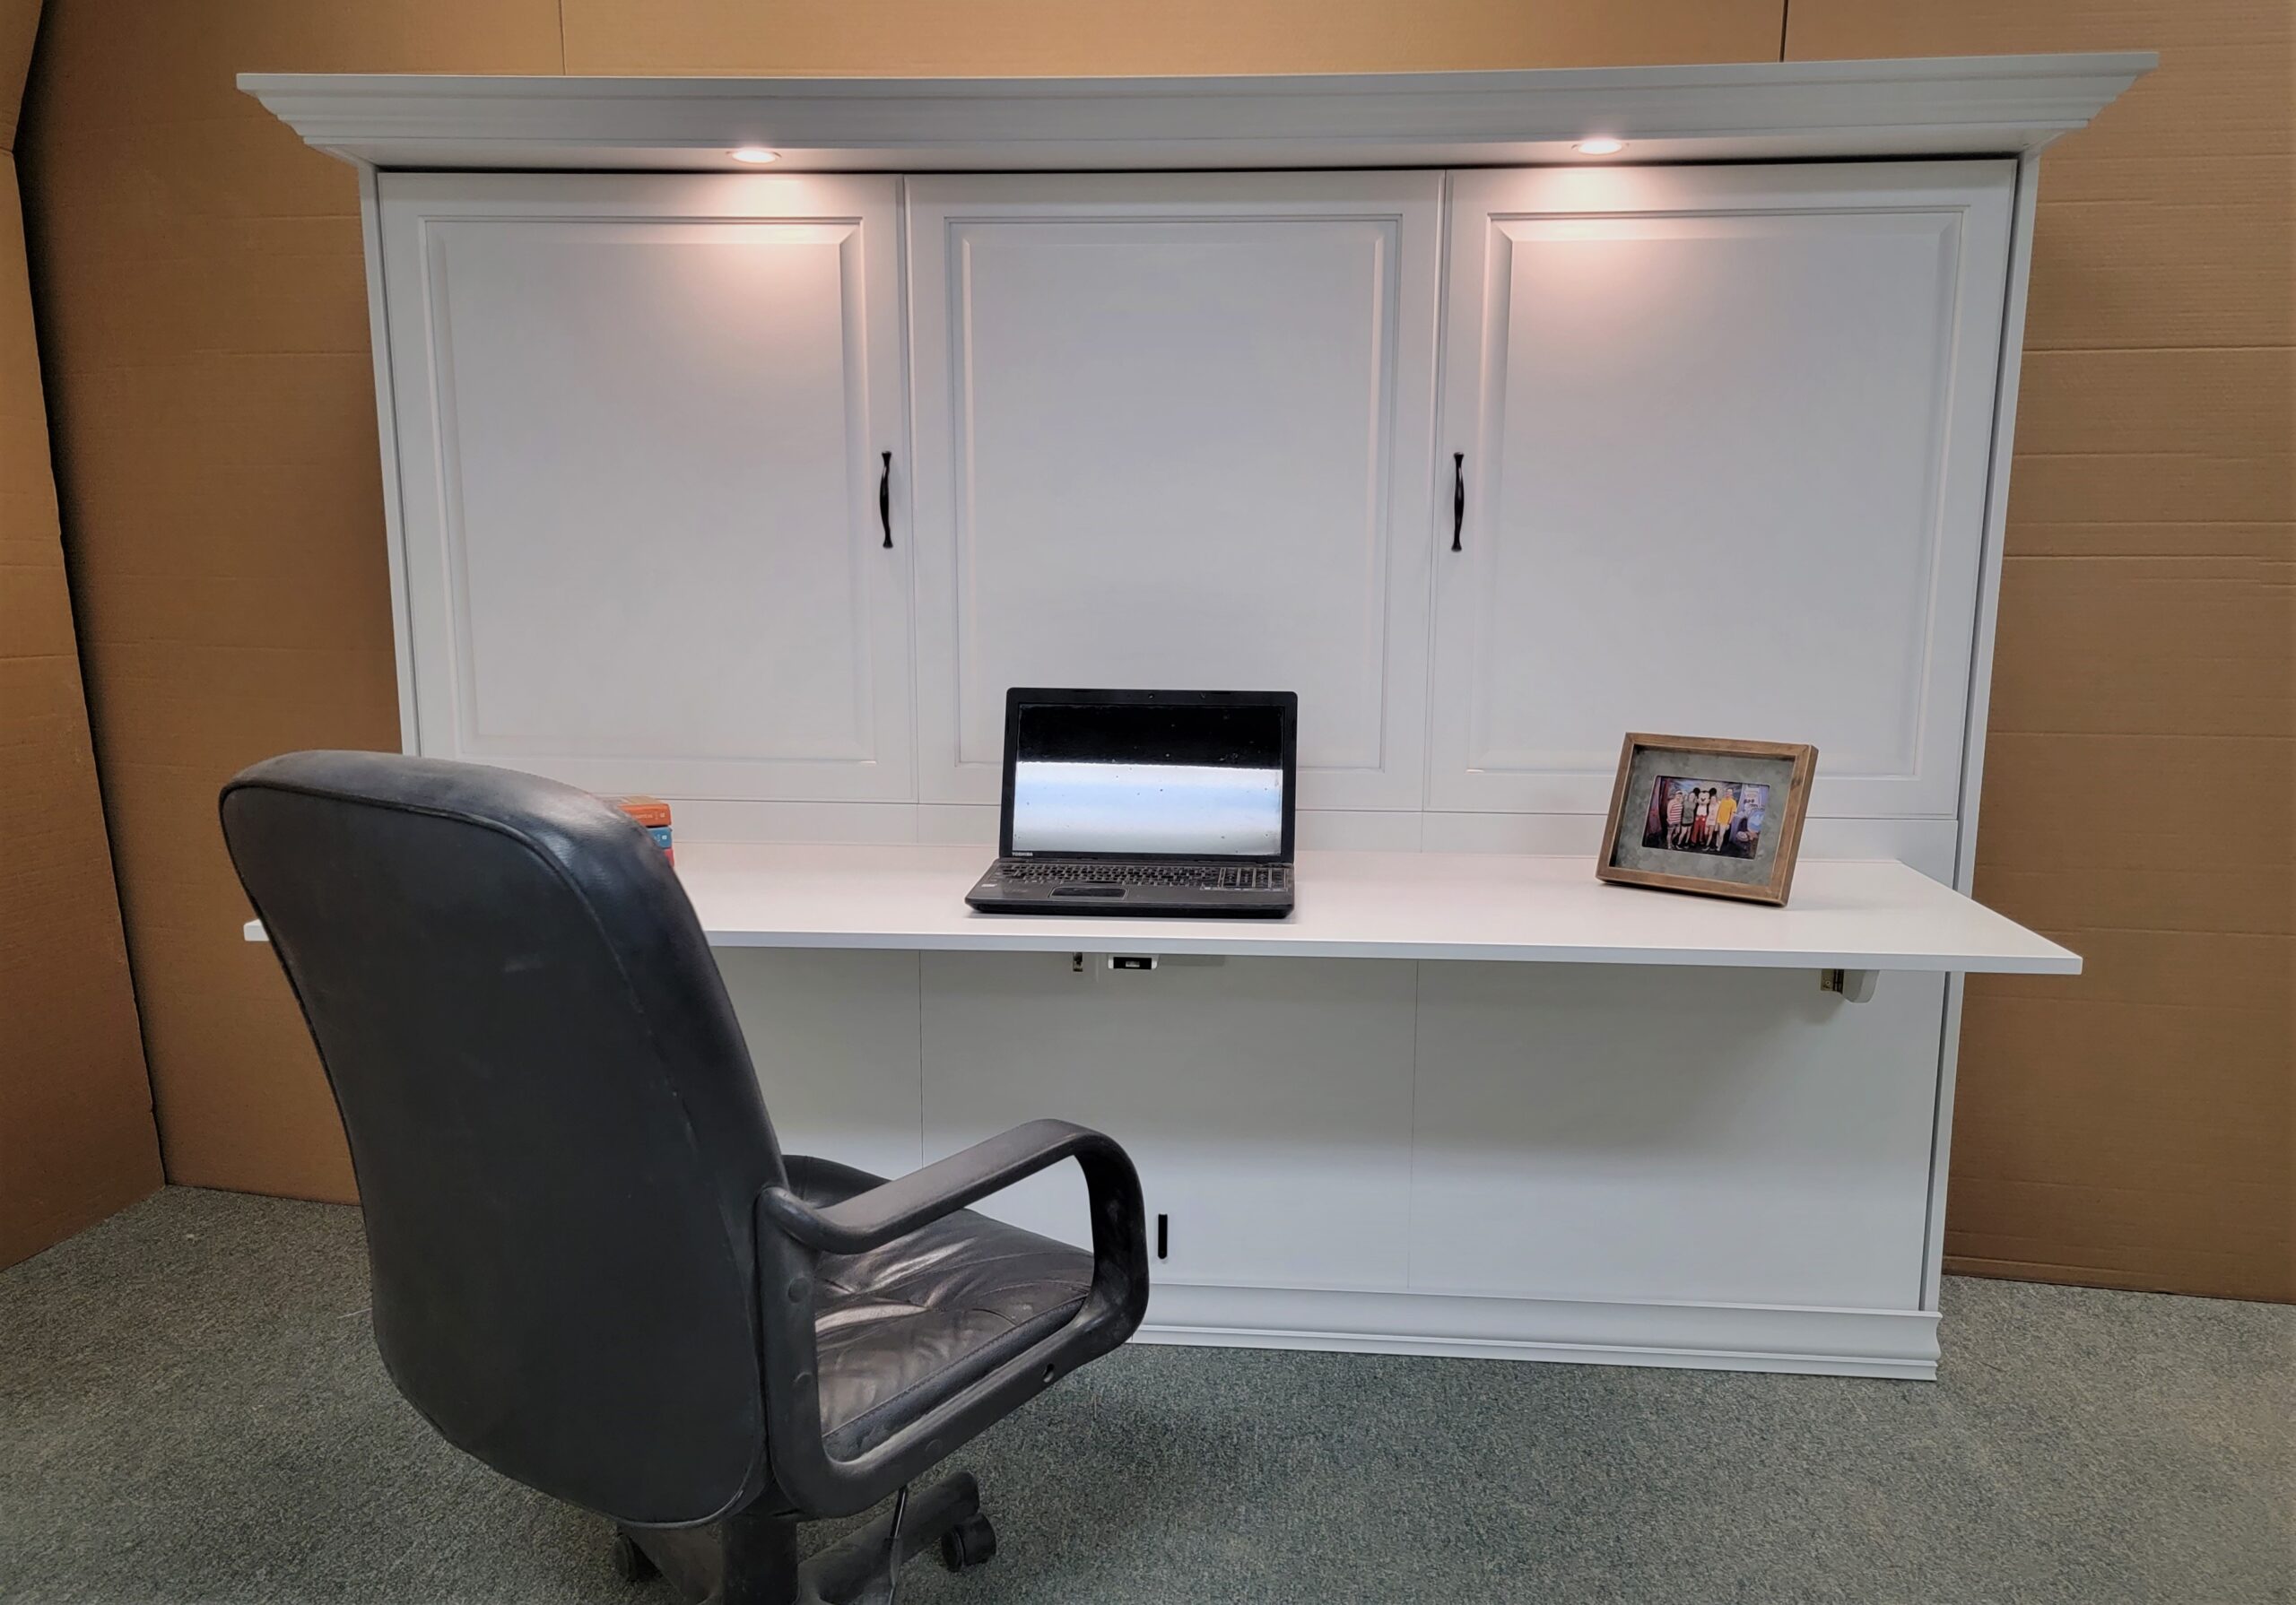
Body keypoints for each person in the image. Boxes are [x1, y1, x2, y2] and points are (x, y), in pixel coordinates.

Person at [1711, 785, 1736, 852]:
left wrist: (1729, 823)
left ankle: (1719, 847)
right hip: (1718, 820)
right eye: (1727, 791)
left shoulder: (1733, 802)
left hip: (1725, 822)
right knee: (1718, 833)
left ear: (1732, 793)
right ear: (1726, 792)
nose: (1728, 793)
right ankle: (1717, 845)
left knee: (1721, 835)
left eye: (1730, 792)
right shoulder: (1722, 800)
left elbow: (1733, 814)